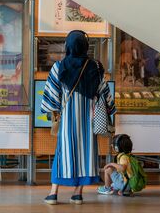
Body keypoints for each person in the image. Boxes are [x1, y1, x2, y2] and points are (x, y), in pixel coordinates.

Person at [41, 30, 116, 205]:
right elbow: (104, 94)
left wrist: (52, 114)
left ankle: (53, 193)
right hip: (88, 121)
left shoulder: (60, 66)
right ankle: (77, 194)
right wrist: (110, 112)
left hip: (68, 120)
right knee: (86, 154)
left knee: (63, 153)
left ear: (68, 45)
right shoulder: (95, 67)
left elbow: (52, 96)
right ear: (85, 46)